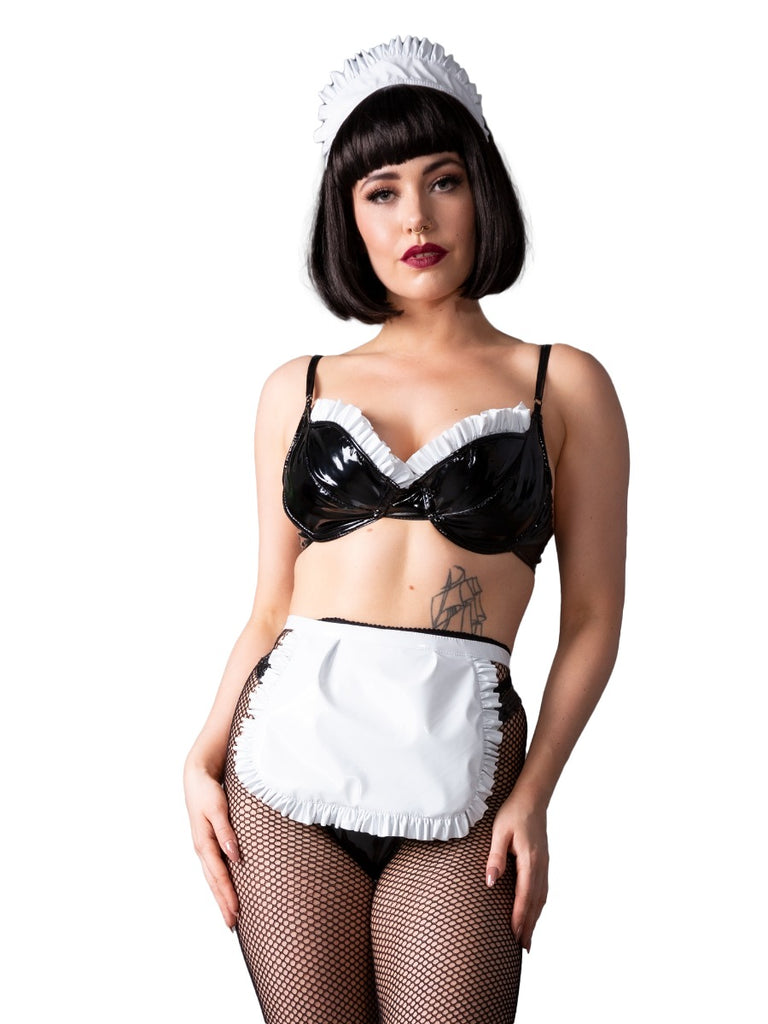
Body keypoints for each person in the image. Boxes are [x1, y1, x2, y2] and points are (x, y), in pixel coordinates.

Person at [184, 36, 629, 1024]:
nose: (416, 218)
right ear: (347, 216)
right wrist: (201, 754)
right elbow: (269, 607)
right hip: (284, 774)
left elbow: (595, 617)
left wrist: (535, 792)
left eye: (443, 181)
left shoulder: (563, 384)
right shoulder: (298, 388)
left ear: (482, 192)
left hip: (463, 778)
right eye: (381, 191)